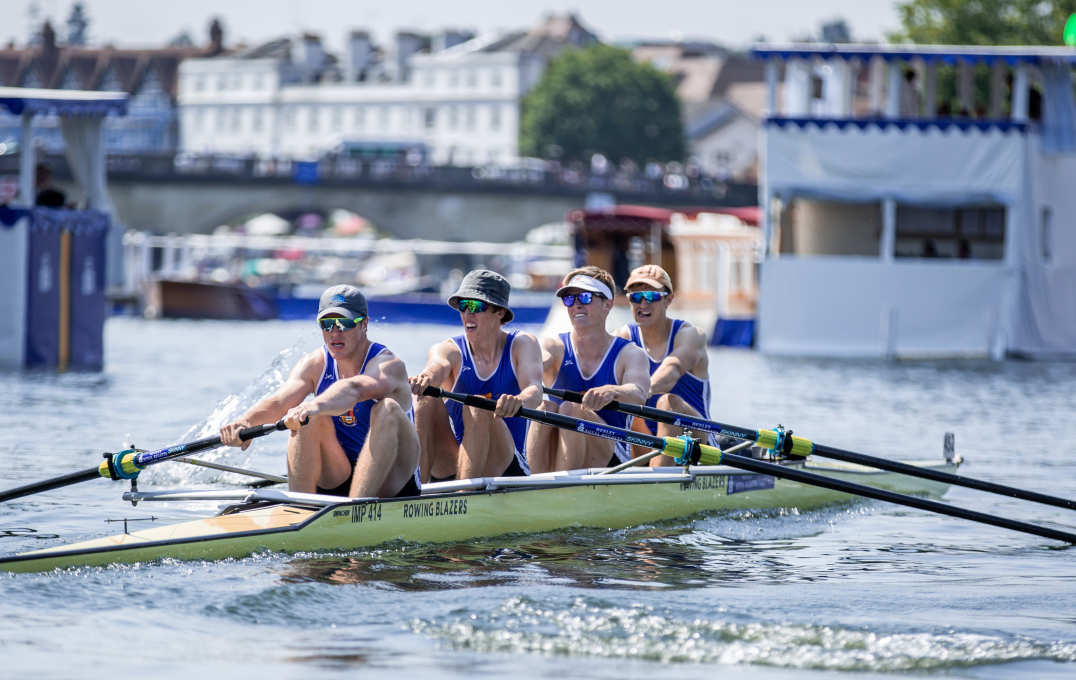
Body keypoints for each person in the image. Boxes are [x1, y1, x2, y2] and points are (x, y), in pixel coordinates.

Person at [220, 284, 421, 498]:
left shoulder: (387, 364)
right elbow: (280, 402)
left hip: (394, 479)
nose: (334, 333)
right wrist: (245, 423)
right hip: (338, 473)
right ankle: (299, 509)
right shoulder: (314, 363)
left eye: (343, 323)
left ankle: (357, 509)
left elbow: (354, 389)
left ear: (364, 324)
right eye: (326, 324)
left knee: (387, 409)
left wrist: (312, 406)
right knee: (307, 418)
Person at [409, 269, 543, 482]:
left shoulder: (522, 344)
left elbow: (535, 391)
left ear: (499, 312)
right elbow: (437, 366)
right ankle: (417, 493)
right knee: (425, 400)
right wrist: (425, 378)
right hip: (459, 458)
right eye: (463, 306)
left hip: (506, 463)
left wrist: (519, 400)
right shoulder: (448, 349)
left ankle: (464, 495)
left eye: (476, 306)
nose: (467, 314)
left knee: (478, 405)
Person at [527, 265, 650, 472]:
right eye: (569, 299)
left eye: (584, 298)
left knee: (570, 408)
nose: (576, 305)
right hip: (562, 449)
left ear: (607, 304)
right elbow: (532, 367)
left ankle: (559, 491)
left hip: (612, 457)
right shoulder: (554, 347)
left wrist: (613, 391)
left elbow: (639, 393)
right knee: (544, 409)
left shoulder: (630, 354)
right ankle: (534, 485)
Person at [615, 264, 719, 467]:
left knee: (667, 403)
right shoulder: (622, 338)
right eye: (635, 297)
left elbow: (672, 370)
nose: (642, 304)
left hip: (695, 442)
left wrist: (640, 391)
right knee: (617, 406)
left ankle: (655, 481)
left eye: (651, 296)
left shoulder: (690, 335)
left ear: (668, 299)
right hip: (645, 443)